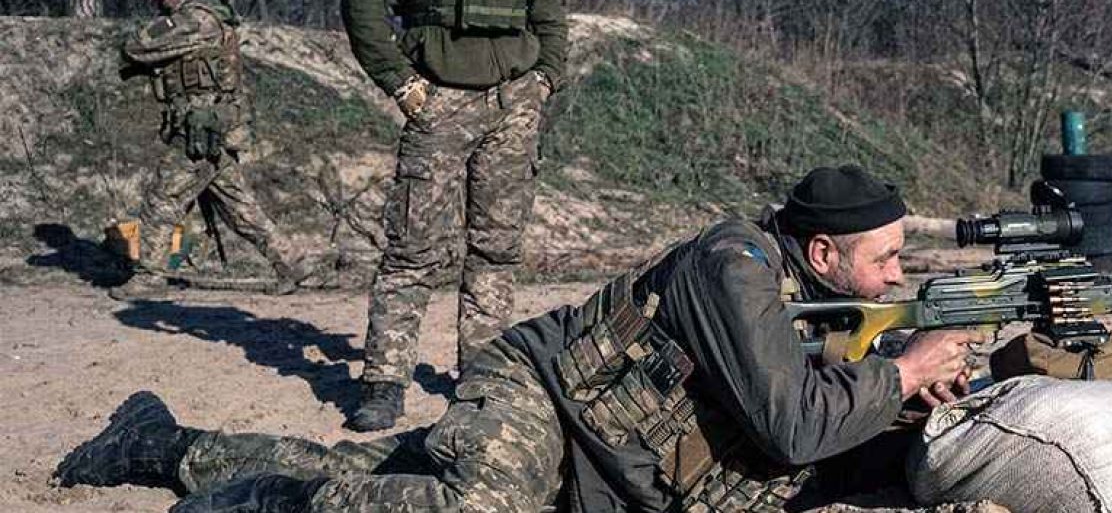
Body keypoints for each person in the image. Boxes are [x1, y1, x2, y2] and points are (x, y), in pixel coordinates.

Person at [55, 165, 981, 512]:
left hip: (604, 459)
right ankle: (278, 503)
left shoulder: (818, 298)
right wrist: (900, 374)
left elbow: (812, 402)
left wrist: (908, 396)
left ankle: (160, 444)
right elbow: (791, 422)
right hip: (543, 394)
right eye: (887, 259)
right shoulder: (734, 265)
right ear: (821, 252)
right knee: (475, 510)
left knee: (383, 476)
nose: (897, 276)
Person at [340, 0, 569, 431]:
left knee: (497, 249)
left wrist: (546, 78)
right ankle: (385, 381)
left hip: (514, 103)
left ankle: (482, 376)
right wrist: (401, 83)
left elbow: (546, 3)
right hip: (439, 100)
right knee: (412, 250)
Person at [112, 0, 310, 300]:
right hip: (211, 128)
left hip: (200, 131)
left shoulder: (194, 20)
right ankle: (291, 262)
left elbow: (137, 46)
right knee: (237, 205)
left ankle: (149, 278)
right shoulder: (209, 17)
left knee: (163, 197)